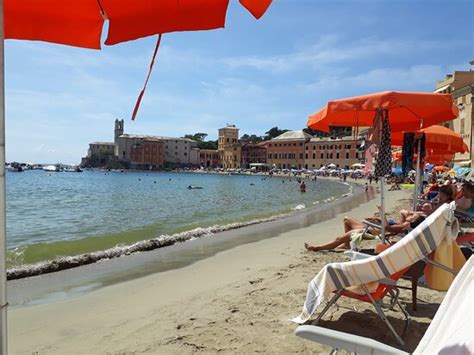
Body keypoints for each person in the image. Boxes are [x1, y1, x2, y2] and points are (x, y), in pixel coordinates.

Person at [304, 207, 425, 252]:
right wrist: (414, 213)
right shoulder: (405, 222)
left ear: (413, 221)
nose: (410, 214)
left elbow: (387, 227)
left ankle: (317, 248)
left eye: (413, 216)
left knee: (338, 238)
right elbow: (402, 211)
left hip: (371, 232)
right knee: (347, 219)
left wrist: (382, 213)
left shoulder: (404, 226)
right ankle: (346, 245)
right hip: (372, 227)